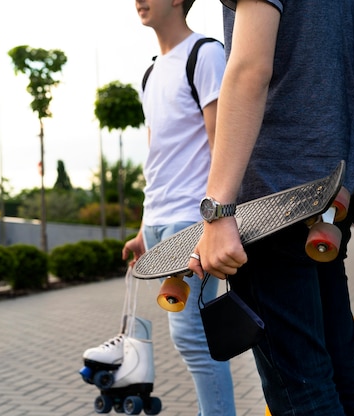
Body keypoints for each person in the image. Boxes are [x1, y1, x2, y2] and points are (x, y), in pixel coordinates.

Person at [189, 1, 354, 415]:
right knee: (342, 371)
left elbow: (249, 69)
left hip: (272, 201)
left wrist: (218, 211)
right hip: (326, 191)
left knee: (303, 393)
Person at [121, 0, 235, 415]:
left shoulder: (205, 54)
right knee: (190, 337)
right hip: (159, 223)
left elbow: (221, 142)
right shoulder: (151, 73)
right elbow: (158, 157)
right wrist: (142, 228)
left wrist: (216, 221)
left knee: (193, 337)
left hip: (193, 221)